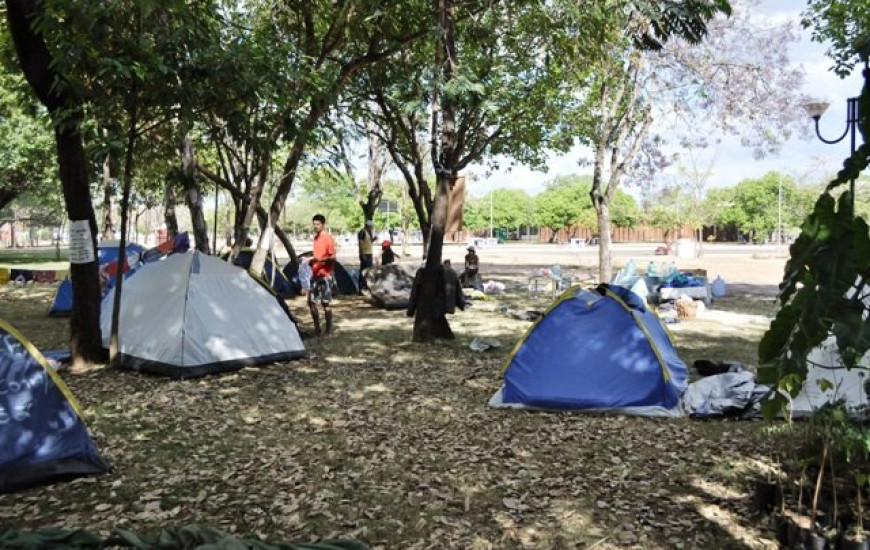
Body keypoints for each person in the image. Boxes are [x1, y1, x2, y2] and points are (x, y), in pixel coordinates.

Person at [308, 214, 336, 335]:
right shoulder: (316, 238)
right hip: (315, 274)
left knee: (325, 303)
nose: (316, 226)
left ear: (323, 224)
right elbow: (316, 254)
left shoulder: (328, 238)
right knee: (311, 302)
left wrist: (320, 261)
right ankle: (317, 328)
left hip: (325, 275)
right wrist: (310, 259)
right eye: (314, 224)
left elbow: (332, 257)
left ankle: (328, 329)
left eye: (318, 224)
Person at [357, 219, 374, 292]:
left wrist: (373, 240)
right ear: (368, 226)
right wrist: (362, 254)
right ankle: (361, 288)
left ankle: (366, 286)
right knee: (364, 271)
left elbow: (368, 242)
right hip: (365, 254)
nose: (372, 228)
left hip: (369, 254)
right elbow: (360, 243)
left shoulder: (368, 233)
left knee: (368, 271)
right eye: (371, 226)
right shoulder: (362, 232)